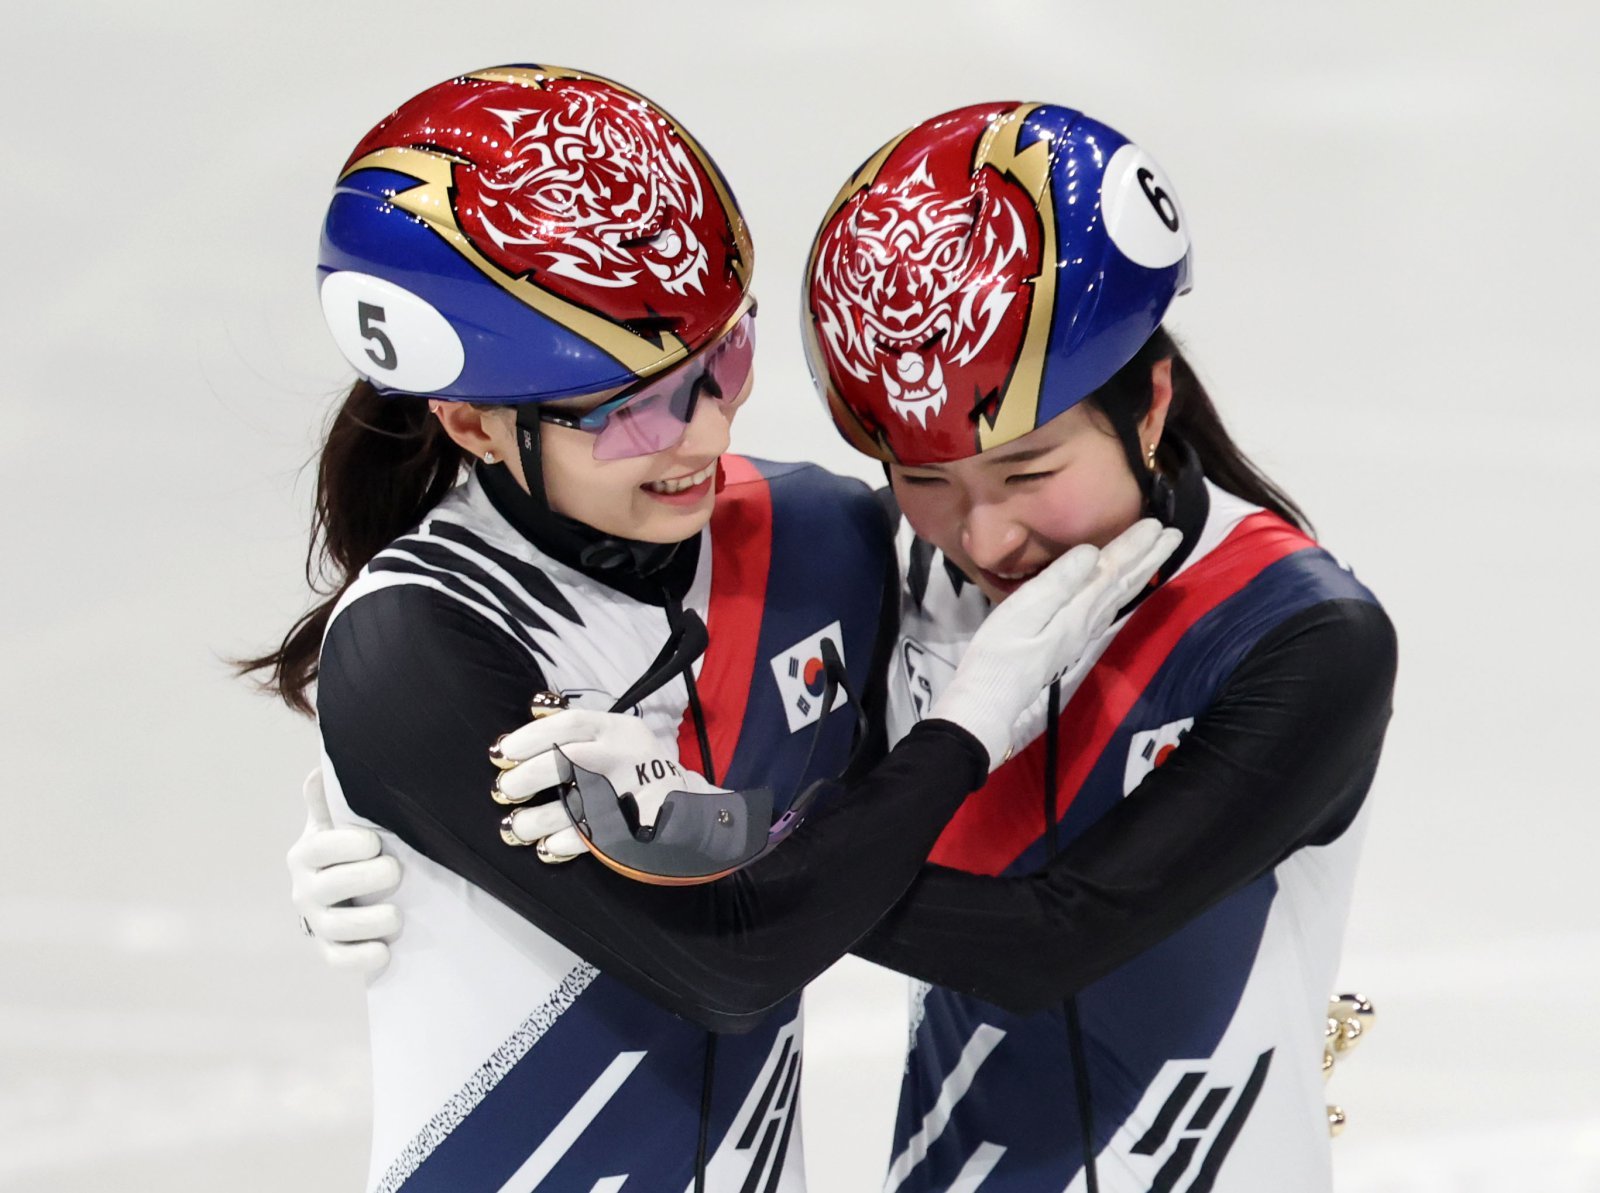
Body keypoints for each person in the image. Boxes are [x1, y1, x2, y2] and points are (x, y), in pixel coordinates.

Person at [293, 98, 1396, 1192]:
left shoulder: (1297, 636)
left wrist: (711, 835)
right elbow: (772, 891)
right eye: (923, 477)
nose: (985, 537)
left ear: (1151, 404)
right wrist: (428, 828)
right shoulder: (866, 566)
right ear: (469, 421)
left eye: (723, 365)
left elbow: (1034, 937)